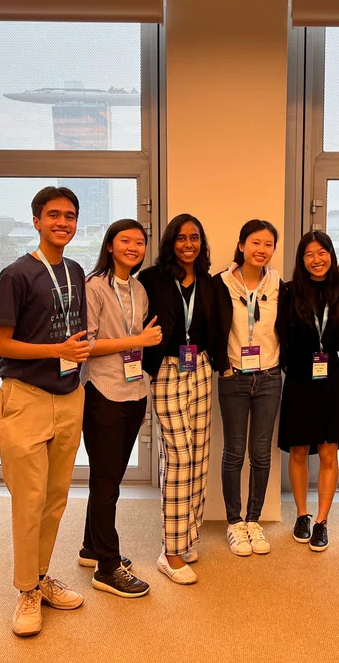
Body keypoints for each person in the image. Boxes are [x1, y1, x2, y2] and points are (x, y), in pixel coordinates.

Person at [0, 186, 90, 637]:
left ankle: (42, 576)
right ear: (36, 221)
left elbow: (76, 332)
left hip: (70, 397)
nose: (62, 223)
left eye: (70, 216)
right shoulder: (16, 274)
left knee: (55, 498)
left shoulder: (75, 270)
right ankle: (25, 590)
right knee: (28, 501)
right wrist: (57, 350)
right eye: (53, 215)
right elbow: (1, 343)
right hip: (26, 397)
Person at [77, 219, 160, 598]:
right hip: (103, 391)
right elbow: (86, 346)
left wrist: (139, 343)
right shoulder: (94, 287)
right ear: (109, 246)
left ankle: (91, 547)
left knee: (108, 476)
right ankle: (107, 567)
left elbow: (139, 343)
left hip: (134, 391)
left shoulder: (140, 290)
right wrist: (137, 339)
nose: (133, 247)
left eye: (139, 242)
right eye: (124, 240)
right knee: (107, 480)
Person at [137, 214, 217, 585]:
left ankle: (187, 539)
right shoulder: (151, 279)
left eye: (195, 238)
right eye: (182, 238)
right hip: (167, 370)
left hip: (199, 368)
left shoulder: (207, 281)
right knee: (180, 456)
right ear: (171, 242)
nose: (189, 244)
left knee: (199, 455)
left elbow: (215, 325)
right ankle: (169, 551)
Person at [213, 219, 288, 557]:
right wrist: (222, 365)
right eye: (255, 243)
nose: (262, 250)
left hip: (270, 377)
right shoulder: (220, 283)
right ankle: (234, 522)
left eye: (268, 244)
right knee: (234, 451)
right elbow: (212, 327)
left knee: (261, 453)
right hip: (234, 377)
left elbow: (284, 329)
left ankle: (253, 520)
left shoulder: (278, 285)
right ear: (242, 245)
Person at [279, 231, 339, 552]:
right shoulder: (289, 292)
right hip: (298, 377)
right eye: (309, 254)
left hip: (330, 377)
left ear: (331, 255)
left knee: (327, 453)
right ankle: (302, 514)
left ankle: (322, 520)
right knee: (298, 452)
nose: (316, 259)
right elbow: (279, 333)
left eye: (322, 252)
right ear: (301, 259)